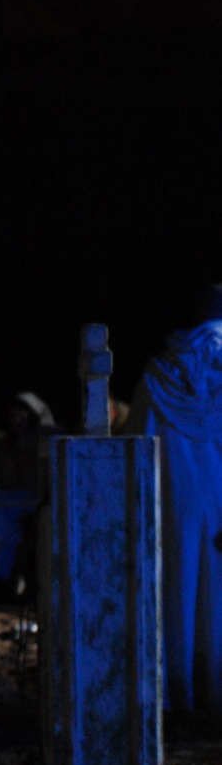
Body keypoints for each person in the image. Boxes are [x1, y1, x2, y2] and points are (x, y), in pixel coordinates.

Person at [122, 283, 222, 712]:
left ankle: (179, 687)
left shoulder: (159, 372)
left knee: (176, 589)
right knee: (214, 594)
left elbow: (137, 441)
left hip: (173, 495)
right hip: (216, 492)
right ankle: (211, 688)